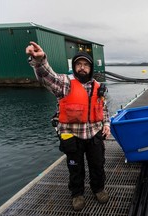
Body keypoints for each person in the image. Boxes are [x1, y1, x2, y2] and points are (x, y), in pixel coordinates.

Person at [26, 41, 111, 211]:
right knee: (75, 168)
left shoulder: (98, 87)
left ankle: (99, 189)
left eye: (86, 65)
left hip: (94, 133)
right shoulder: (65, 83)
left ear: (91, 68)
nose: (82, 68)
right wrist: (40, 61)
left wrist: (107, 124)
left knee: (98, 165)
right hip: (72, 136)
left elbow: (104, 108)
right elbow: (48, 77)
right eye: (78, 64)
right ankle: (77, 194)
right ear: (74, 66)